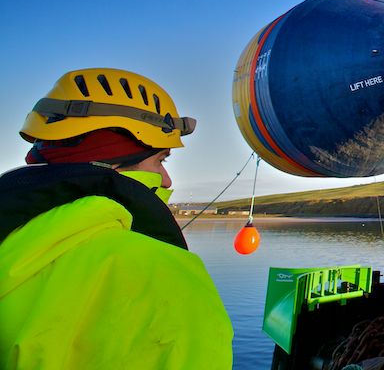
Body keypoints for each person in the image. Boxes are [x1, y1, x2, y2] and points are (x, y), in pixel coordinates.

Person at [0, 68, 232, 369]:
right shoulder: (164, 271)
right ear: (110, 160)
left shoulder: (12, 239)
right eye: (160, 160)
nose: (166, 180)